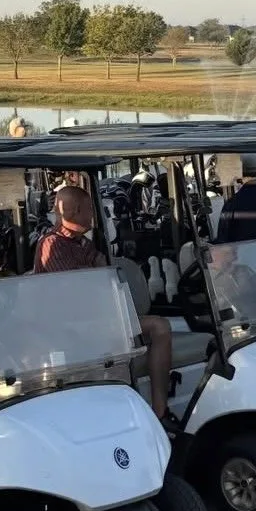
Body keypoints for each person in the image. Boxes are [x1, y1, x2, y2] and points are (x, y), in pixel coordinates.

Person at [33, 186, 177, 434]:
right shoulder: (52, 244)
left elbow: (104, 270)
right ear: (75, 211)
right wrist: (97, 277)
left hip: (99, 318)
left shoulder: (80, 243)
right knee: (137, 333)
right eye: (90, 209)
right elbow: (74, 291)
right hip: (71, 326)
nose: (93, 215)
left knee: (160, 327)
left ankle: (159, 411)